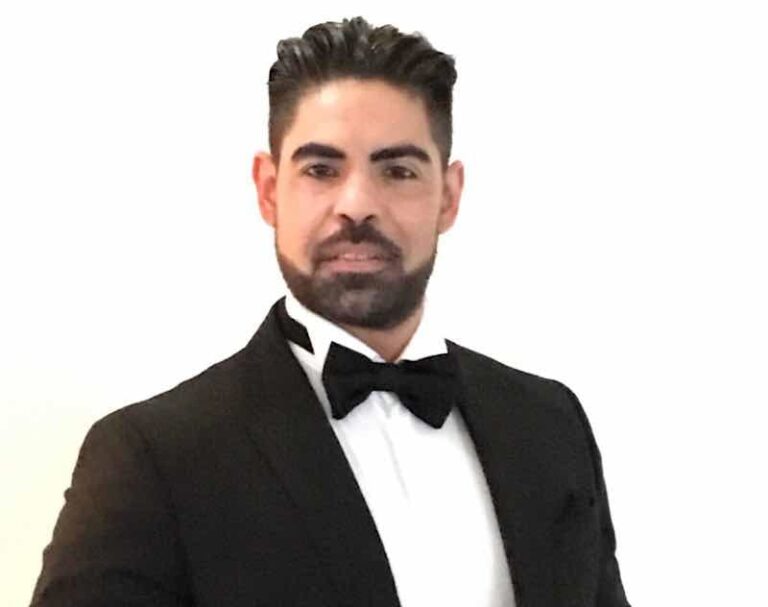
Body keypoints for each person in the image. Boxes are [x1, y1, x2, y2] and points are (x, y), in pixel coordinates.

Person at [31, 17, 630, 607]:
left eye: (397, 170)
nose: (357, 204)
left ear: (449, 196)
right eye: (321, 170)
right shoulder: (152, 458)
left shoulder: (550, 424)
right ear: (269, 189)